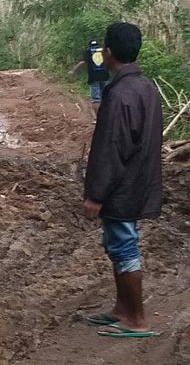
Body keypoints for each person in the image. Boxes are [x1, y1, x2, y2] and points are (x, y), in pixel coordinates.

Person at [82, 22, 162, 338]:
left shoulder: (122, 94)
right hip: (138, 181)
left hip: (122, 187)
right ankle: (122, 310)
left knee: (125, 247)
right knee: (118, 245)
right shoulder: (144, 87)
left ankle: (137, 319)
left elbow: (111, 149)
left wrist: (96, 194)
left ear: (109, 52)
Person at [71, 40, 110, 116]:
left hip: (93, 77)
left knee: (96, 99)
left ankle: (99, 118)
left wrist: (73, 70)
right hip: (105, 76)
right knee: (106, 96)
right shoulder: (103, 50)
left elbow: (82, 62)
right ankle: (108, 116)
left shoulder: (88, 51)